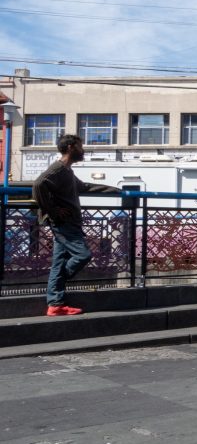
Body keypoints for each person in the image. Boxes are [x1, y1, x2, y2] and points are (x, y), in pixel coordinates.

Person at [33, 134, 119, 316]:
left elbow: (84, 187)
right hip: (63, 224)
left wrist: (116, 190)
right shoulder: (57, 169)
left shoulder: (67, 172)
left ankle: (55, 304)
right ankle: (57, 286)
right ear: (71, 147)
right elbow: (38, 184)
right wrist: (53, 211)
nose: (83, 150)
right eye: (80, 146)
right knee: (83, 255)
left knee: (58, 264)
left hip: (69, 224)